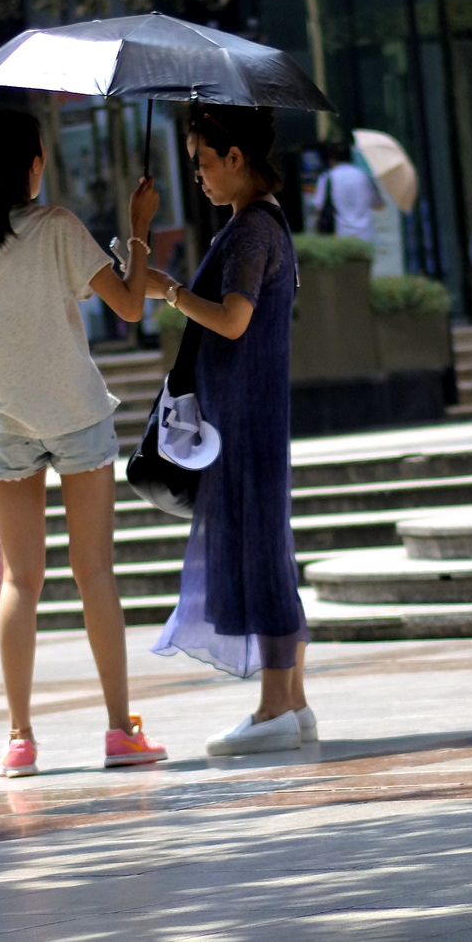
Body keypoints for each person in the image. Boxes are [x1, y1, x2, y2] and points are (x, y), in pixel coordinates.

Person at [0, 108, 167, 778]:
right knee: (93, 572)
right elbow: (129, 305)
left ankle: (19, 739)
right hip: (75, 415)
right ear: (35, 164)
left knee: (19, 580)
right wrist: (140, 227)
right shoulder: (60, 227)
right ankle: (121, 731)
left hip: (6, 425)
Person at [146, 104, 315, 756]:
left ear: (236, 158)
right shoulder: (263, 223)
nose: (199, 177)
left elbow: (235, 319)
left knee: (259, 556)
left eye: (203, 162)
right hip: (252, 418)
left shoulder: (250, 230)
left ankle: (275, 705)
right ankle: (292, 702)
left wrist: (170, 292)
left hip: (245, 423)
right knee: (267, 552)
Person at [313, 140, 382, 243]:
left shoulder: (327, 178)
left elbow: (318, 207)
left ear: (331, 160)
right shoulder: (364, 176)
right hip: (366, 235)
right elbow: (378, 204)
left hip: (340, 236)